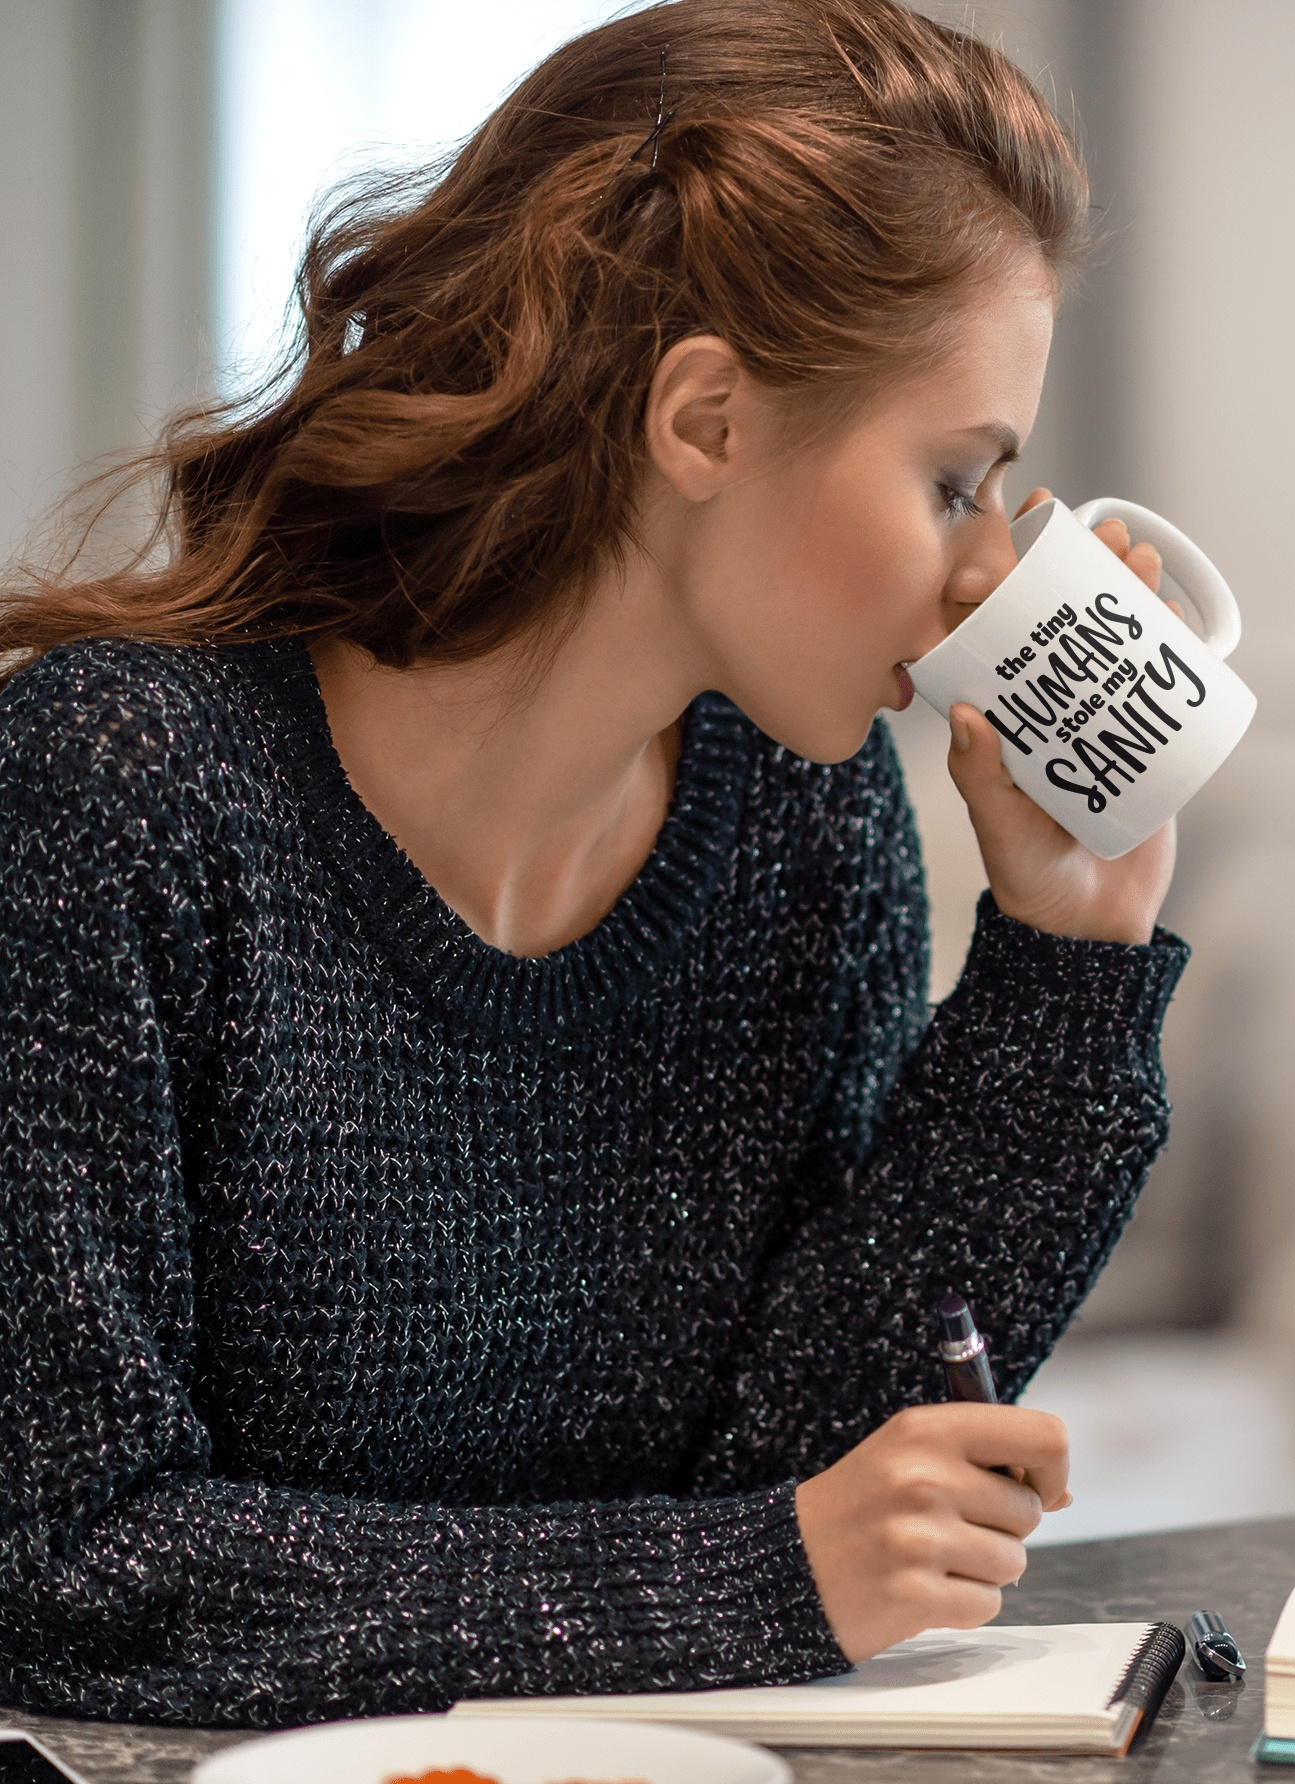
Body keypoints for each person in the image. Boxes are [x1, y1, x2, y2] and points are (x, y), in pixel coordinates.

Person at [0, 0, 1188, 1729]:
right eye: (956, 481)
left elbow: (819, 1477)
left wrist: (1067, 965)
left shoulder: (806, 818)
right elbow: (67, 1568)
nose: (981, 577)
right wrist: (756, 1575)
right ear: (704, 420)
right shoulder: (114, 799)